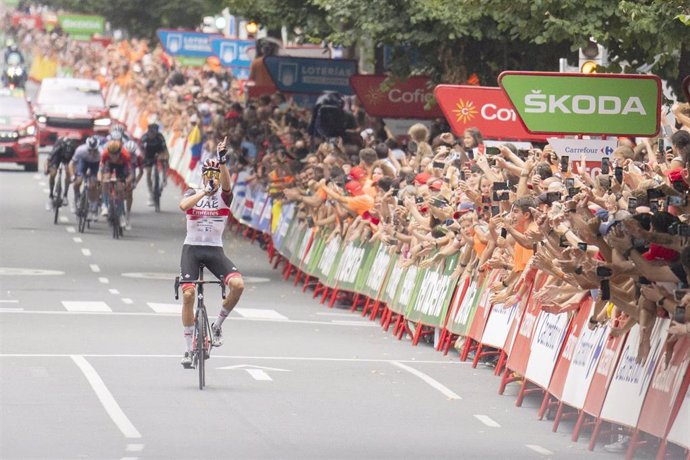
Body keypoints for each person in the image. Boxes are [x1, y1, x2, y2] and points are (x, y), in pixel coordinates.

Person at [178, 139, 245, 368]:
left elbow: (226, 187)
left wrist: (222, 160)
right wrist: (203, 194)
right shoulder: (193, 191)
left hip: (214, 249)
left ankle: (216, 325)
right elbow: (184, 206)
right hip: (192, 249)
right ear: (203, 175)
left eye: (216, 174)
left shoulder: (224, 197)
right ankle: (188, 350)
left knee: (237, 285)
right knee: (188, 296)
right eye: (209, 174)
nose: (212, 177)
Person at [99, 140, 133, 228]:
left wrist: (126, 182)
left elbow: (131, 174)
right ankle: (105, 205)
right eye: (111, 154)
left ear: (119, 152)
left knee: (120, 188)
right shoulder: (105, 154)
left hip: (121, 168)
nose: (113, 156)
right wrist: (100, 180)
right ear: (108, 152)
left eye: (116, 154)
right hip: (109, 166)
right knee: (105, 179)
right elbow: (100, 170)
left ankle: (121, 214)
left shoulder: (126, 156)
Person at [69, 136, 101, 216]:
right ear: (87, 148)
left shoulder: (101, 152)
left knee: (93, 185)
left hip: (95, 164)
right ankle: (76, 197)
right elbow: (71, 164)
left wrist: (99, 178)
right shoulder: (81, 150)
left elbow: (103, 168)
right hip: (84, 162)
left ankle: (93, 204)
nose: (93, 153)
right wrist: (73, 176)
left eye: (95, 150)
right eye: (90, 150)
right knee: (78, 181)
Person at [140, 123, 169, 205]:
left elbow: (165, 149)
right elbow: (141, 150)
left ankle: (164, 177)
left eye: (154, 132)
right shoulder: (144, 137)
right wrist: (143, 157)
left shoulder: (160, 137)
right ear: (148, 131)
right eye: (151, 132)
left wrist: (165, 157)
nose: (153, 134)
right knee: (148, 173)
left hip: (159, 152)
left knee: (165, 160)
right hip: (148, 153)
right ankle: (150, 192)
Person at [46, 136, 78, 211]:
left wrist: (72, 174)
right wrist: (47, 169)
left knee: (68, 171)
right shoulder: (58, 147)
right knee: (53, 173)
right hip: (58, 156)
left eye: (68, 153)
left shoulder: (74, 149)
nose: (67, 154)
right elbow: (48, 159)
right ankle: (51, 196)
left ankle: (65, 195)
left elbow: (75, 164)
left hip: (69, 160)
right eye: (66, 153)